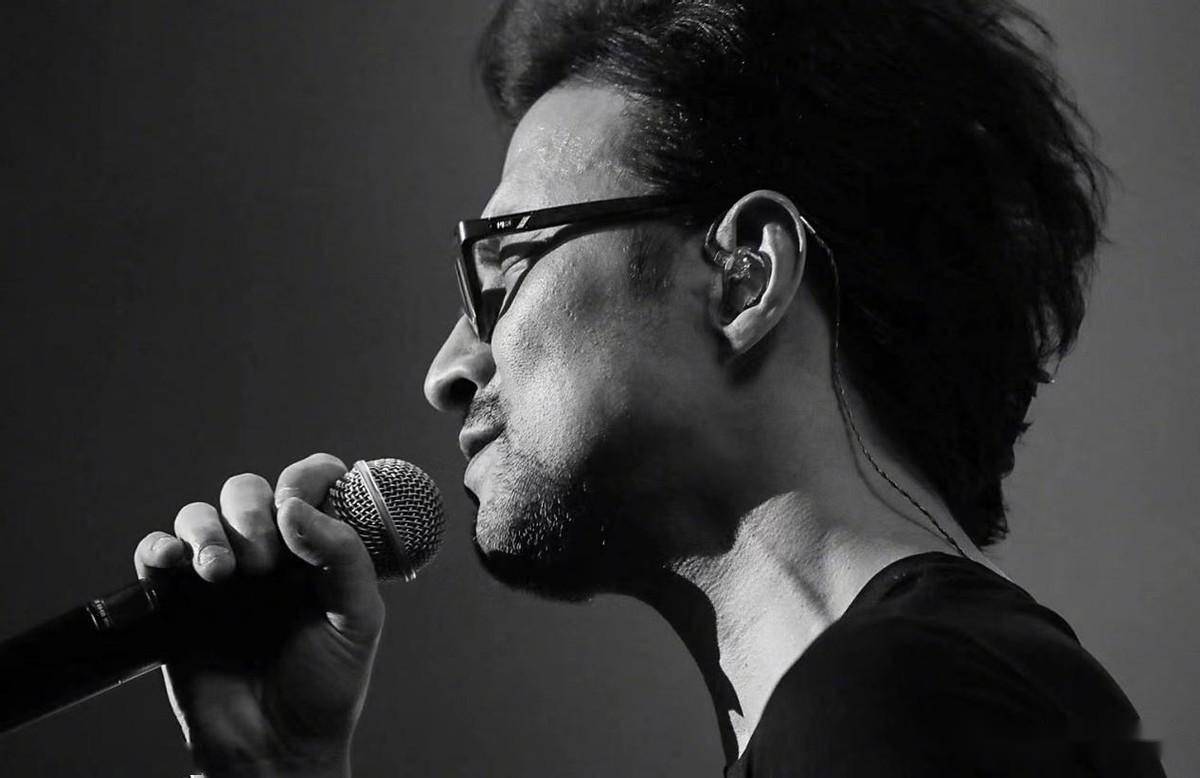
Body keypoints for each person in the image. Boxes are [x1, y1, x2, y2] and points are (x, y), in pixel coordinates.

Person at [133, 0, 1166, 775]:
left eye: (503, 266)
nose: (447, 372)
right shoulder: (921, 701)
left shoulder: (905, 703)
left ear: (744, 277)